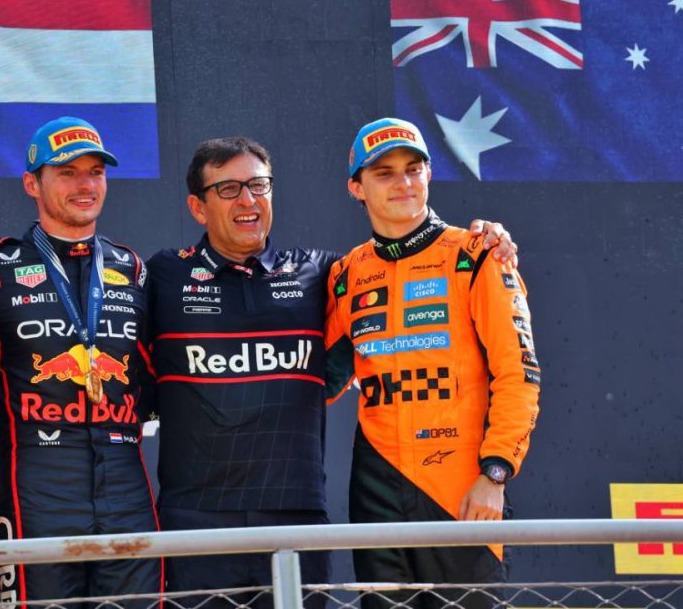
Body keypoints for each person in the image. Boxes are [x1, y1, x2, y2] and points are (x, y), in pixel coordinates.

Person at [144, 136, 518, 607]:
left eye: (258, 185)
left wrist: (491, 238)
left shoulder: (323, 273)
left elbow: (510, 366)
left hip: (296, 515)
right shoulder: (163, 275)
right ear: (198, 208)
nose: (248, 200)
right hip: (195, 516)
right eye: (228, 189)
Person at [324, 118, 541, 609]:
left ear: (428, 174)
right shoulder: (347, 274)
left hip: (461, 488)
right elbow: (315, 379)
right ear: (356, 187)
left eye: (413, 168)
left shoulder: (478, 255)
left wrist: (495, 474)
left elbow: (519, 373)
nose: (403, 182)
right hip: (376, 492)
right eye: (384, 173)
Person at [0, 116, 161, 605]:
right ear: (32, 184)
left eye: (95, 172)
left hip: (126, 485)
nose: (85, 185)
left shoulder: (132, 268)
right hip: (37, 487)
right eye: (67, 173)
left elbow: (157, 372)